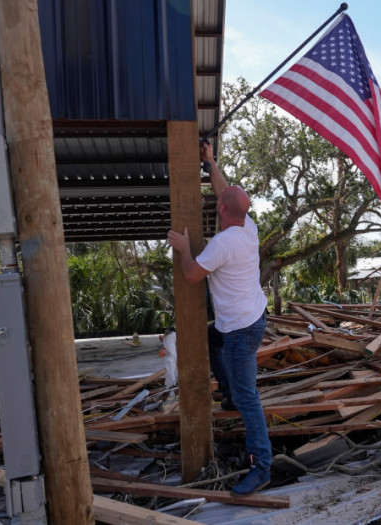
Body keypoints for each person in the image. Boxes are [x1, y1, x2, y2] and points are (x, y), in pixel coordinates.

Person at [166, 142, 271, 497]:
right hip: (252, 317)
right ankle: (228, 394)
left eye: (219, 199)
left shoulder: (223, 243)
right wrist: (210, 161)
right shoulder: (248, 227)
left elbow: (193, 275)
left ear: (220, 210)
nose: (217, 198)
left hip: (242, 329)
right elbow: (225, 191)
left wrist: (183, 250)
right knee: (212, 340)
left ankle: (261, 467)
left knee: (248, 396)